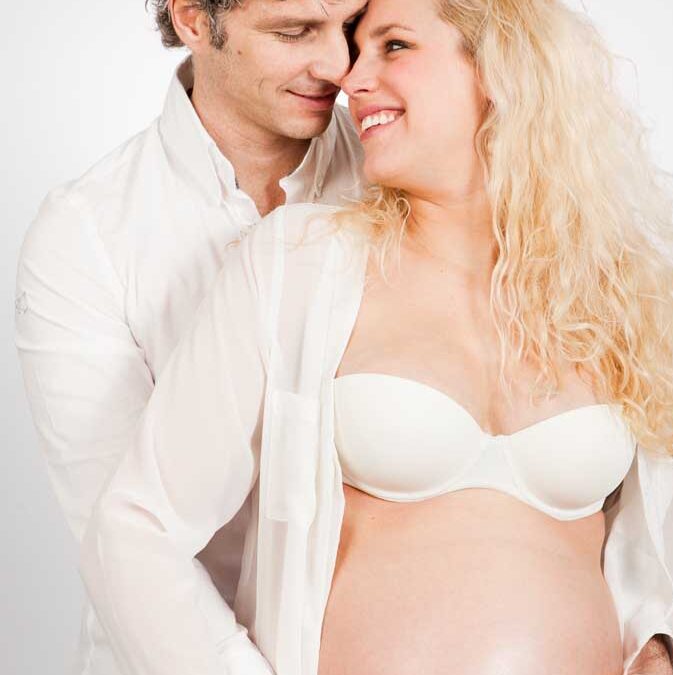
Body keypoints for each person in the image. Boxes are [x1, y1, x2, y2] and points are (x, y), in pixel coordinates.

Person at [79, 0, 673, 674]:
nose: (350, 78)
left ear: (500, 65)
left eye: (393, 46)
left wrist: (668, 653)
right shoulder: (297, 264)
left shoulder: (632, 299)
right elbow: (138, 527)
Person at [14, 1, 367, 673]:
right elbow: (127, 548)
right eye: (293, 32)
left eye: (350, 27)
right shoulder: (85, 236)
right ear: (195, 22)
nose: (338, 65)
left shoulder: (405, 176)